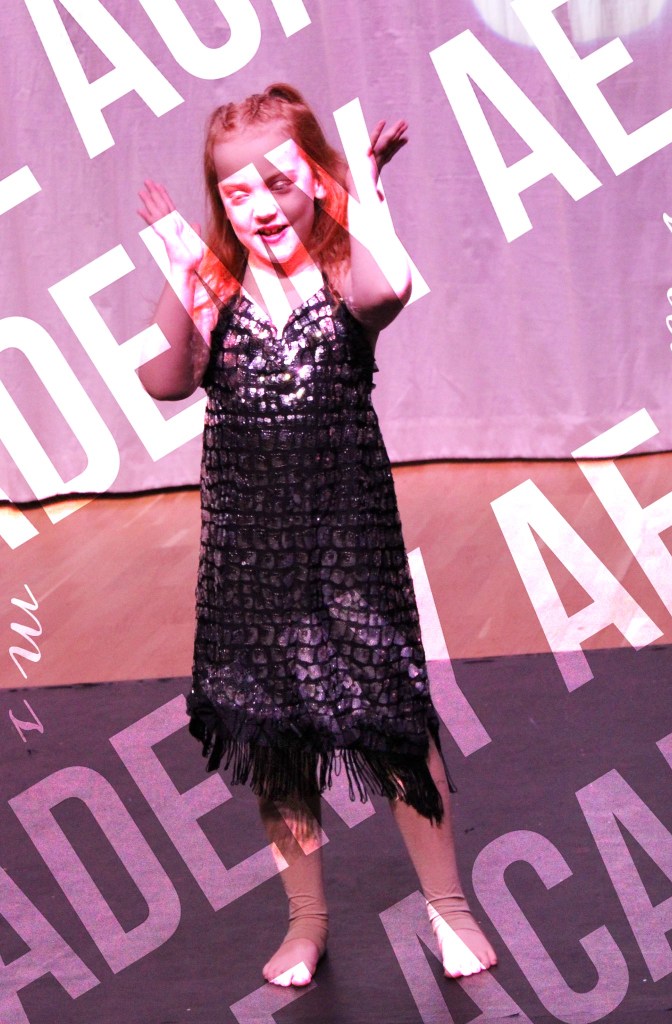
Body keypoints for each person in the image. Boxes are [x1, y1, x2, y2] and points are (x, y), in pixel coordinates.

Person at [138, 83, 497, 988]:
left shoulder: (341, 280)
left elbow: (391, 286)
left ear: (317, 181)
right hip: (253, 560)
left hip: (349, 549)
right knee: (276, 737)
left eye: (280, 183)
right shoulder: (219, 291)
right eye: (236, 193)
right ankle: (306, 920)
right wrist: (181, 271)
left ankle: (448, 907)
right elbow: (161, 379)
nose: (260, 206)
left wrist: (362, 191)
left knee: (395, 719)